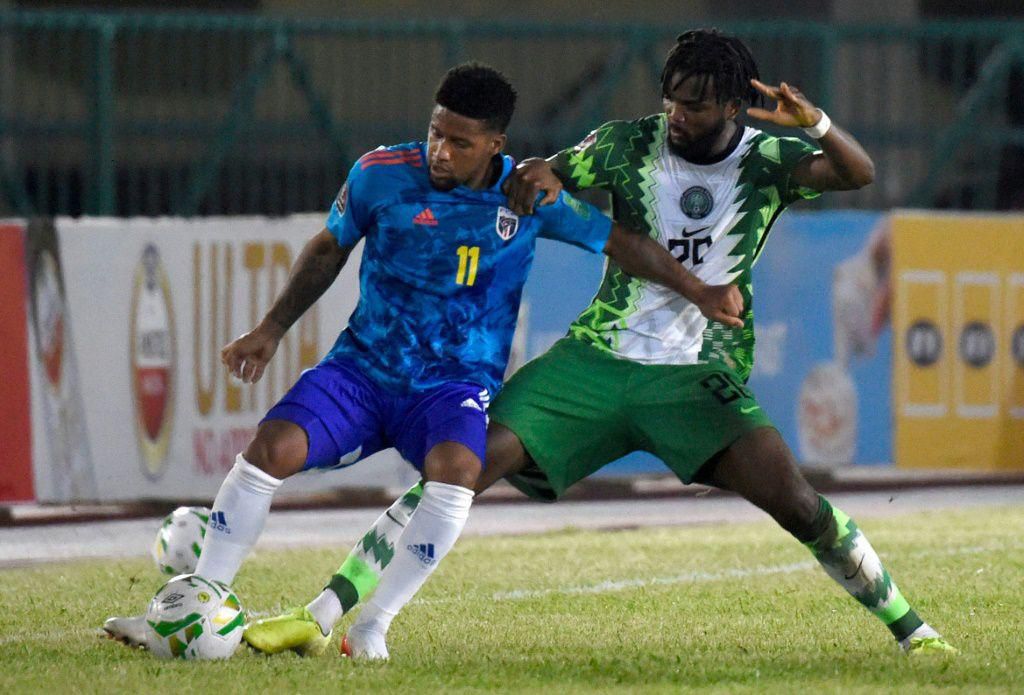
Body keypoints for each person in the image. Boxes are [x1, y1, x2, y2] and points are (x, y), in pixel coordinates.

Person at [245, 30, 956, 660]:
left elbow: (856, 171)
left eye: (697, 105)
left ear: (735, 107)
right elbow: (547, 170)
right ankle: (327, 612)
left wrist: (821, 125)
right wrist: (539, 174)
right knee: (458, 467)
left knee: (797, 501)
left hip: (696, 372)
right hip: (594, 360)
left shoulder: (770, 157)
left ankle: (913, 631)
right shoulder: (629, 141)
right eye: (673, 98)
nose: (678, 114)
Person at [103, 62, 742, 656]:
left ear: (496, 145)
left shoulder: (529, 198)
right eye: (436, 133)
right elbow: (328, 250)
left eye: (460, 142)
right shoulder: (380, 173)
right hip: (361, 373)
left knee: (458, 469)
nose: (441, 151)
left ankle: (373, 625)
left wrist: (702, 290)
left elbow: (620, 243)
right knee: (271, 448)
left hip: (452, 386)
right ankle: (197, 606)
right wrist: (270, 329)